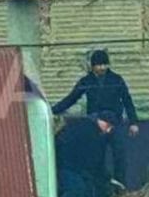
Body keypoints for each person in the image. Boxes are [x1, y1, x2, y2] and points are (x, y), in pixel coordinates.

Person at [51, 48, 140, 184]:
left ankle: (120, 186)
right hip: (95, 123)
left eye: (105, 64)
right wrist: (52, 110)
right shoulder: (87, 81)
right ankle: (101, 187)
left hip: (114, 121)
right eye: (99, 65)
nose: (102, 68)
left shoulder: (116, 79)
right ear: (93, 66)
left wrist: (133, 122)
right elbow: (71, 98)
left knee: (119, 155)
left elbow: (127, 100)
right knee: (96, 157)